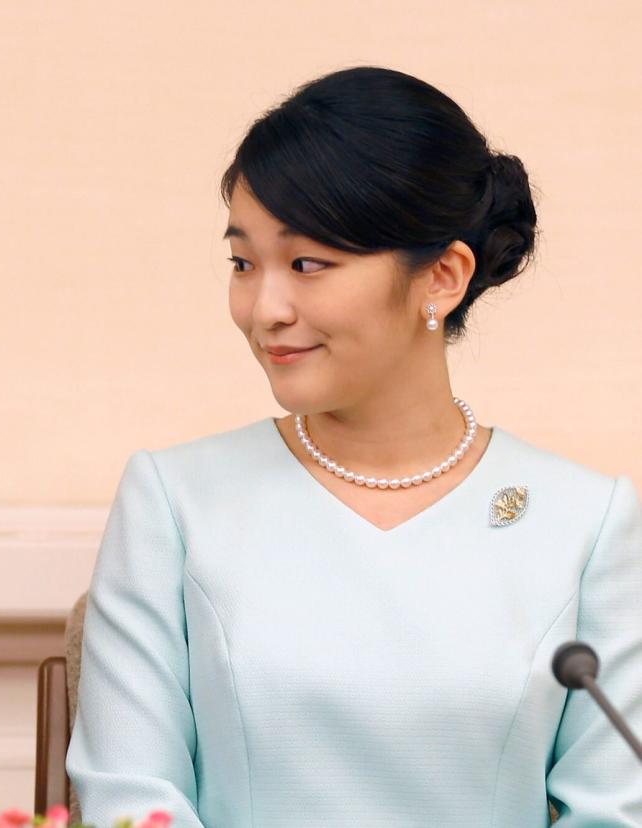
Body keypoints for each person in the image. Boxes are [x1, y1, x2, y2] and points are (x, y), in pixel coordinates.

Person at [67, 66, 642, 826]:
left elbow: (614, 810)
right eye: (243, 263)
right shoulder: (174, 502)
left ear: (442, 276)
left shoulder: (588, 524)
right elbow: (129, 801)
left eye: (308, 264)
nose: (264, 309)